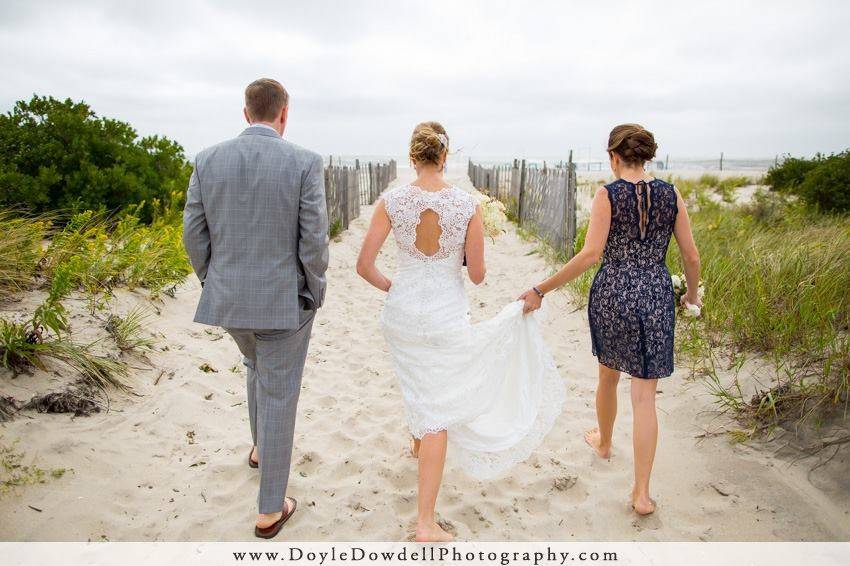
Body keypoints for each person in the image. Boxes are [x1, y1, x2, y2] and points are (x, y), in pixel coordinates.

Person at [356, 122, 565, 542]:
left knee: (420, 385)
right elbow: (479, 277)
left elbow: (364, 266)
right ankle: (425, 522)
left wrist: (393, 287)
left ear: (413, 158)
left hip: (401, 314)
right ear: (444, 157)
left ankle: (418, 447)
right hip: (444, 316)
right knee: (437, 409)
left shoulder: (392, 201)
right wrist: (470, 253)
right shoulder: (466, 205)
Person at [518, 123, 701, 516]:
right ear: (647, 156)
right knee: (644, 397)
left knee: (607, 375)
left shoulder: (607, 194)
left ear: (613, 157)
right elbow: (692, 257)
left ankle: (603, 443)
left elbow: (589, 256)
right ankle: (642, 494)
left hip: (613, 294)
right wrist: (692, 294)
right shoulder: (671, 194)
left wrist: (540, 289)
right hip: (654, 293)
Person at [182, 78, 329, 538]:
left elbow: (193, 234)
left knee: (254, 363)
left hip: (229, 301)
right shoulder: (305, 162)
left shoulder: (206, 161)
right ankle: (270, 509)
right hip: (284, 302)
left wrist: (212, 281)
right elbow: (314, 241)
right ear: (283, 114)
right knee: (280, 393)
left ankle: (261, 451)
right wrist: (314, 293)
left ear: (246, 113)